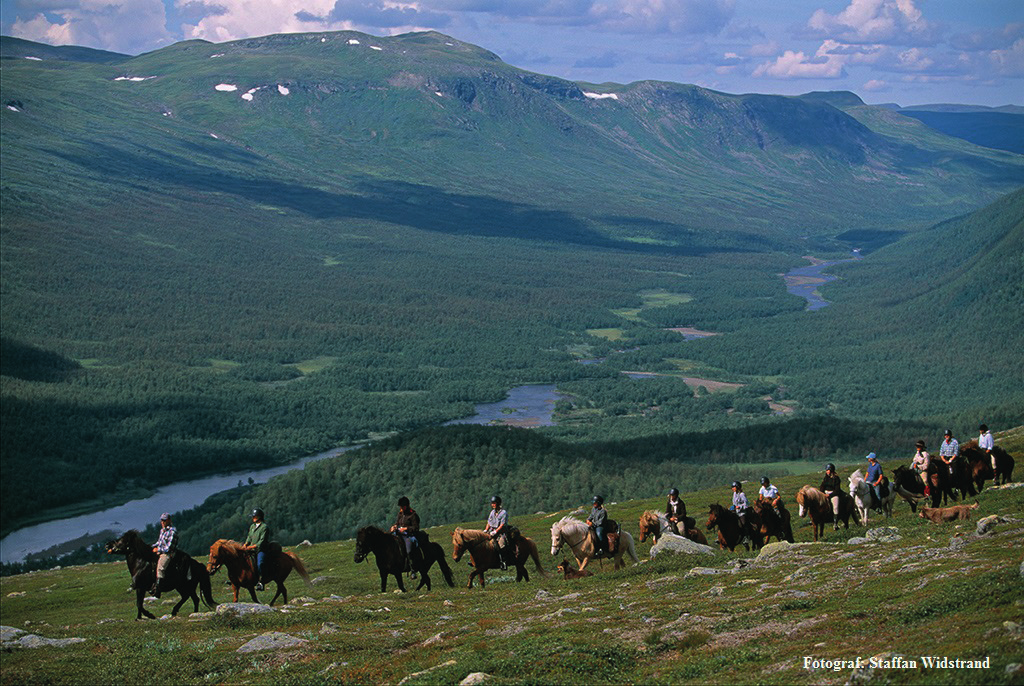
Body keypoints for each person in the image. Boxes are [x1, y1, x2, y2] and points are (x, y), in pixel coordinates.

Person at [390, 496, 422, 577]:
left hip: (408, 535)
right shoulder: (400, 514)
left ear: (405, 506)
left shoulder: (413, 515)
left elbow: (416, 528)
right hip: (398, 534)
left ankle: (413, 569)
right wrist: (394, 526)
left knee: (409, 550)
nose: (400, 509)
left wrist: (406, 528)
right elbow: (397, 523)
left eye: (401, 507)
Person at [150, 513, 177, 597]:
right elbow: (159, 542)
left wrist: (158, 549)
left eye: (164, 520)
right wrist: (152, 547)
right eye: (161, 520)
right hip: (160, 551)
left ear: (169, 520)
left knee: (160, 568)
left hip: (168, 554)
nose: (162, 522)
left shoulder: (172, 532)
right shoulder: (162, 530)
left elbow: (169, 547)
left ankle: (158, 589)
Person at [244, 508, 271, 591]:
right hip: (251, 549)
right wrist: (245, 544)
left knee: (260, 564)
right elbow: (249, 537)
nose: (253, 518)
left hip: (261, 550)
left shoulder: (264, 527)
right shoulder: (252, 526)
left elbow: (261, 542)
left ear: (259, 517)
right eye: (253, 517)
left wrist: (251, 547)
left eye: (254, 516)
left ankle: (261, 582)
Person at [484, 496, 510, 570]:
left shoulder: (503, 513)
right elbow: (489, 522)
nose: (492, 505)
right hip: (491, 531)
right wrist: (486, 530)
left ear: (498, 503)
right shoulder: (492, 512)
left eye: (494, 503)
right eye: (492, 503)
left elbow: (502, 524)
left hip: (500, 532)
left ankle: (503, 562)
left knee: (502, 545)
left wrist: (496, 531)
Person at [819, 464, 843, 530]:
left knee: (835, 506)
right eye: (826, 470)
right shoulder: (826, 477)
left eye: (828, 470)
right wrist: (822, 493)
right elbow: (822, 486)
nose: (827, 471)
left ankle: (835, 523)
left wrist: (830, 495)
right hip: (825, 493)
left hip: (833, 493)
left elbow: (837, 490)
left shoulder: (836, 478)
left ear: (832, 470)